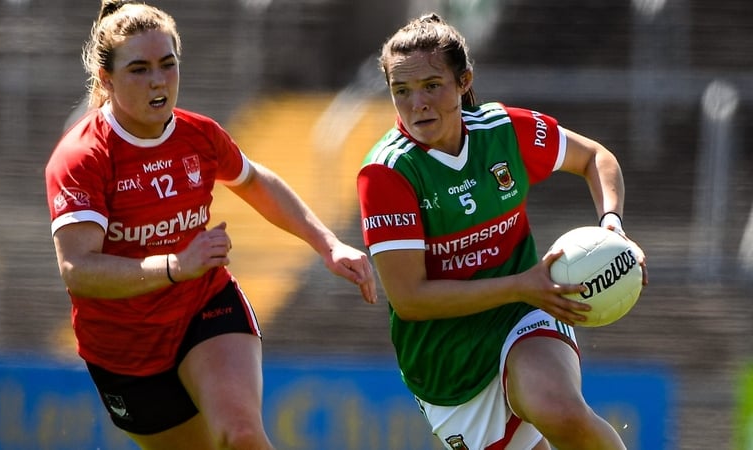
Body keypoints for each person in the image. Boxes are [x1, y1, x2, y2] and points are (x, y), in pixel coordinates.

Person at [44, 1, 377, 449]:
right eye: (139, 69)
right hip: (123, 350)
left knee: (240, 436)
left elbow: (256, 182)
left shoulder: (198, 135)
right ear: (106, 79)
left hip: (203, 307)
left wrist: (327, 244)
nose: (158, 80)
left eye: (168, 64)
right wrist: (175, 265)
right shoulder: (83, 157)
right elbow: (78, 270)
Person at [356, 13, 648, 450]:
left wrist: (612, 225)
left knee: (559, 409)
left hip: (522, 317)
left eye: (432, 85)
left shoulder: (504, 132)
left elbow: (595, 158)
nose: (417, 103)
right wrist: (520, 286)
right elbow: (411, 299)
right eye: (402, 91)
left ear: (463, 80)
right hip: (447, 365)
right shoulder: (386, 174)